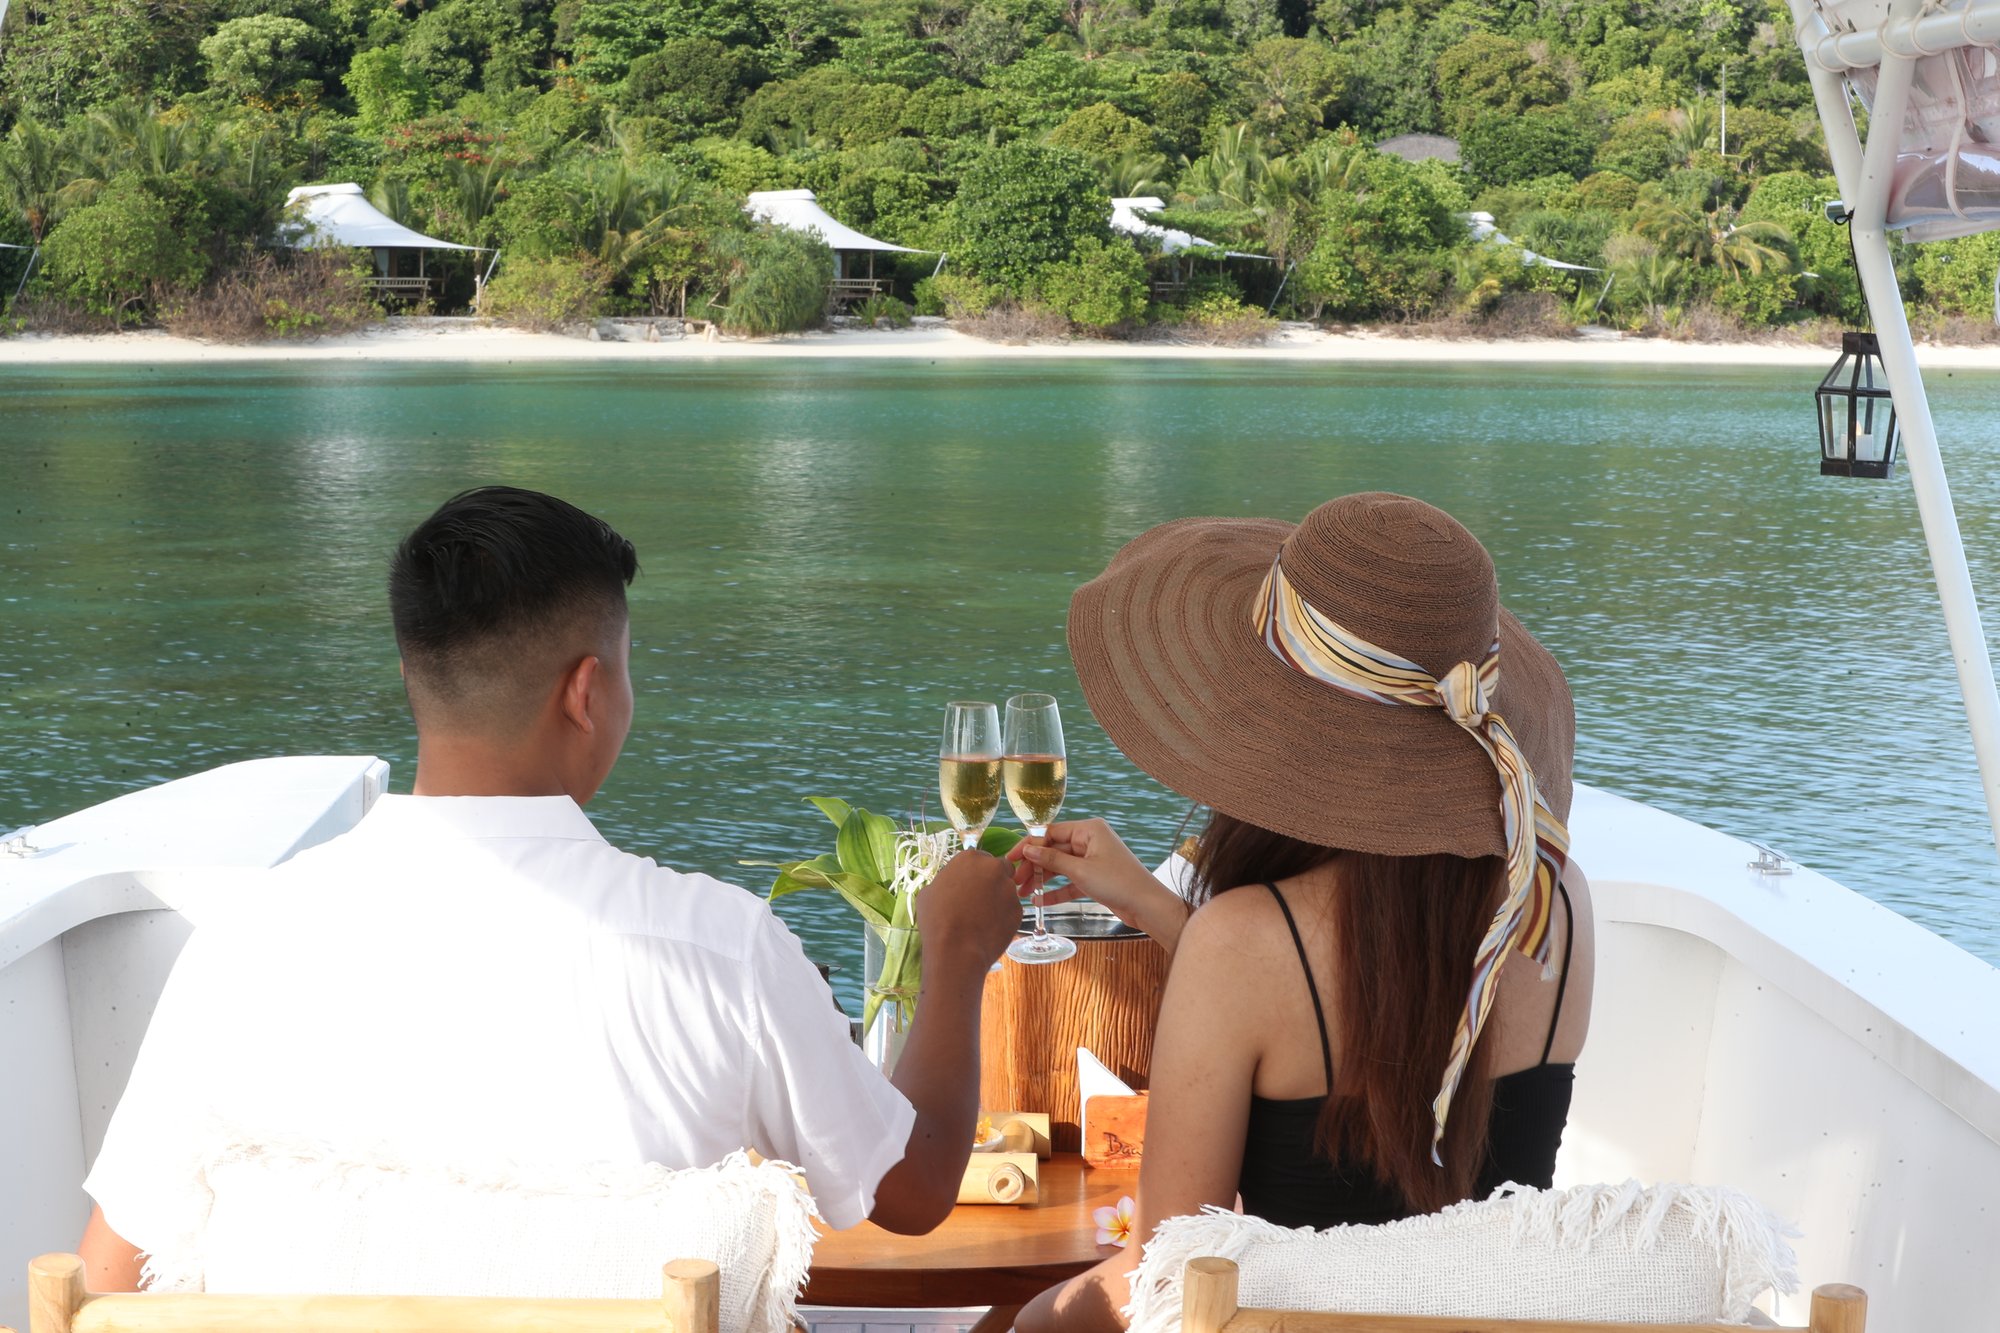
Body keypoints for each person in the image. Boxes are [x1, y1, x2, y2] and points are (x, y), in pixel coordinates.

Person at [78, 485, 1021, 1292]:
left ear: (415, 673)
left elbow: (108, 1278)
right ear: (586, 691)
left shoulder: (246, 943)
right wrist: (958, 951)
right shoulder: (719, 948)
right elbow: (917, 1185)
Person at [1011, 492, 1595, 1333]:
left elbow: (1169, 1276)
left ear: (1278, 727)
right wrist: (1151, 902)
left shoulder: (1246, 942)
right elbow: (1383, 1027)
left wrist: (1034, 1317)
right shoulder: (1556, 903)